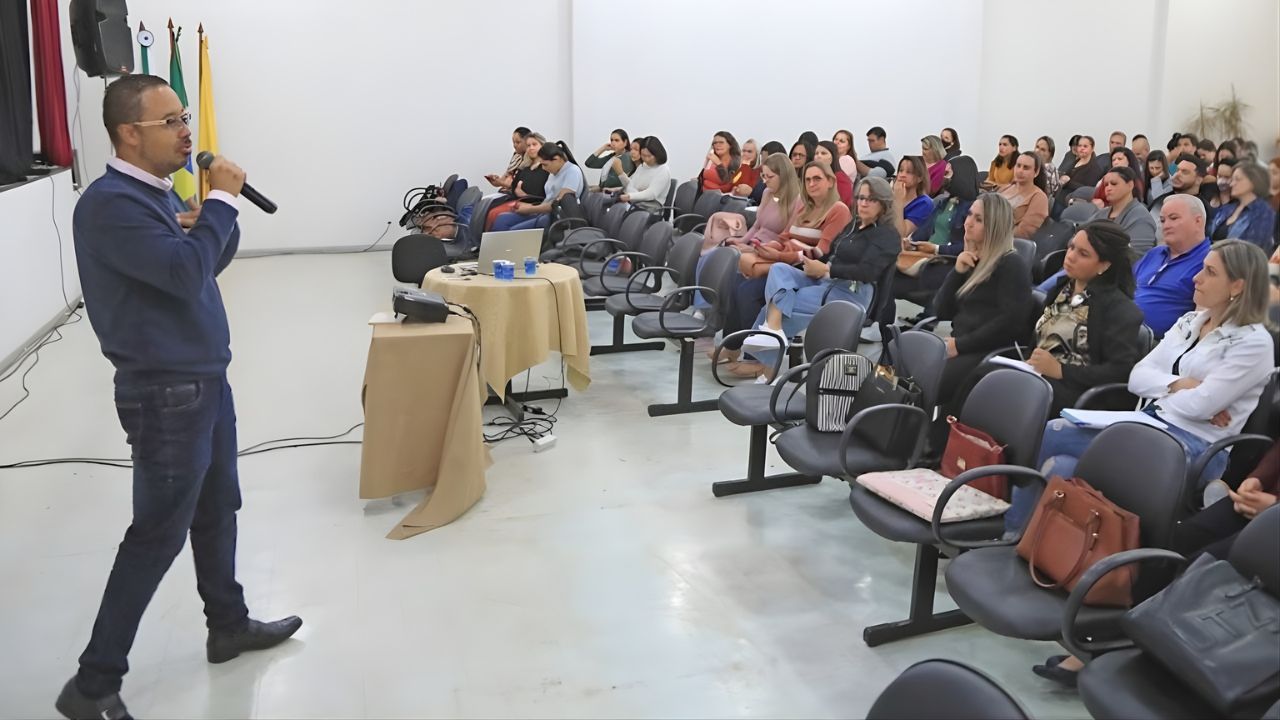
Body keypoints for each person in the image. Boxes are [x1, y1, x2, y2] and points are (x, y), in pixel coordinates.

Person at [58, 74, 302, 720]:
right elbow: (181, 272)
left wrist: (212, 223)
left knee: (219, 505)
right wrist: (218, 208)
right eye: (170, 121)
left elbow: (193, 271)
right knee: (157, 535)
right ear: (128, 133)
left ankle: (228, 624)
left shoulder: (155, 195)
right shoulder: (110, 204)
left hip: (203, 379)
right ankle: (92, 684)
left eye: (185, 116)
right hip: (165, 391)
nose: (186, 130)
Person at [1022, 240, 1275, 688]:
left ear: (1237, 286)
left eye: (1210, 273)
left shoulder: (1253, 344)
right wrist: (1181, 385)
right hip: (1150, 421)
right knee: (1056, 441)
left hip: (1193, 446)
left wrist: (1179, 393)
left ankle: (1095, 584)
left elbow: (1202, 409)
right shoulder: (1189, 320)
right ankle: (1038, 550)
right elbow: (1139, 375)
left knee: (1082, 467)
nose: (1196, 278)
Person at [953, 221, 1143, 420]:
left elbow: (1120, 371)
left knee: (1012, 395)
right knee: (983, 375)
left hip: (1076, 390)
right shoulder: (1062, 289)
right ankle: (950, 442)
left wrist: (1061, 371)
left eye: (1083, 254)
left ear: (1104, 265)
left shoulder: (1120, 309)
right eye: (1071, 247)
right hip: (1039, 374)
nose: (1070, 256)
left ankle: (992, 448)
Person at [738, 174, 895, 379]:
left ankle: (767, 366)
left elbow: (867, 272)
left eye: (870, 199)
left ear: (883, 204)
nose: (863, 203)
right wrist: (812, 262)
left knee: (777, 307)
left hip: (851, 292)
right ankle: (772, 332)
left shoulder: (887, 235)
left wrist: (826, 270)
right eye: (860, 198)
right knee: (779, 270)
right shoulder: (854, 227)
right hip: (827, 279)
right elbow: (831, 252)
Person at [931, 193, 1032, 413]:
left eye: (979, 219)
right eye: (970, 215)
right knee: (906, 364)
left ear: (994, 226)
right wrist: (957, 272)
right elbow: (940, 310)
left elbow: (1009, 324)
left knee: (927, 382)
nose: (968, 222)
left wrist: (960, 345)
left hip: (986, 350)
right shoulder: (972, 259)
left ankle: (926, 438)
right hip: (960, 343)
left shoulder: (1011, 265)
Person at [716, 154, 808, 371]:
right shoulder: (768, 193)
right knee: (733, 284)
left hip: (775, 258)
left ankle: (754, 357)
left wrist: (755, 248)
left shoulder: (797, 201)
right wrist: (741, 242)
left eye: (770, 176)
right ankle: (732, 345)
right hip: (757, 250)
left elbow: (785, 239)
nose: (765, 181)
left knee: (747, 292)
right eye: (764, 176)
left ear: (783, 176)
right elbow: (757, 226)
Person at [1177, 440, 1279, 561]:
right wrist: (1258, 479)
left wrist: (1274, 508)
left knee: (1207, 563)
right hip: (1261, 500)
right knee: (1181, 539)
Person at [490, 142, 585, 231]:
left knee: (513, 231)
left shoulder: (572, 172)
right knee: (502, 219)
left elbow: (559, 204)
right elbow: (548, 198)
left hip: (555, 217)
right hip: (542, 211)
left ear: (557, 159)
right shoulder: (553, 172)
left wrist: (529, 209)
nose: (543, 168)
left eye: (545, 165)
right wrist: (529, 206)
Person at [1208, 162, 1277, 252]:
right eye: (1232, 179)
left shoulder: (1264, 212)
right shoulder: (1227, 208)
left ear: (1254, 181)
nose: (1232, 184)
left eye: (1237, 179)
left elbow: (1253, 249)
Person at [484, 132, 547, 229]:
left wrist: (524, 195)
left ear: (543, 146)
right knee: (487, 208)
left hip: (534, 205)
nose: (531, 148)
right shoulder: (524, 167)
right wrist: (513, 189)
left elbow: (543, 193)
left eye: (534, 145)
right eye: (528, 145)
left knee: (496, 215)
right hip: (517, 200)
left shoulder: (546, 168)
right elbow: (514, 186)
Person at [1091, 166, 1159, 253]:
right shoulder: (1100, 214)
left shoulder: (1141, 217)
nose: (1108, 188)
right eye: (1106, 185)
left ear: (1130, 185)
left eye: (1114, 183)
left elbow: (1137, 255)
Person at [998, 151, 1049, 238]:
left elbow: (1024, 232)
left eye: (1026, 168)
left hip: (1007, 243)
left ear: (1036, 172)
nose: (1020, 171)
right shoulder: (1005, 188)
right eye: (1018, 166)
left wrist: (995, 235)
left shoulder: (1039, 197)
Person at [615, 136, 672, 213]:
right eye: (643, 155)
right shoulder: (642, 166)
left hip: (650, 210)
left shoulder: (663, 170)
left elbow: (651, 194)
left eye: (649, 156)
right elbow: (630, 186)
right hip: (636, 205)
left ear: (657, 154)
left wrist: (630, 196)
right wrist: (639, 193)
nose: (646, 159)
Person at [891, 156, 935, 238]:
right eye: (900, 171)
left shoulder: (924, 203)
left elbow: (902, 234)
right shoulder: (889, 198)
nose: (902, 175)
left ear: (920, 178)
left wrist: (898, 200)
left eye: (909, 172)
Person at [1057, 135, 1105, 206]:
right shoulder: (1075, 161)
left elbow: (1087, 190)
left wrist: (1068, 182)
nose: (1082, 148)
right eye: (1079, 146)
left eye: (1085, 146)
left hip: (1073, 204)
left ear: (1092, 148)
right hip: (1060, 199)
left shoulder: (1095, 169)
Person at [484, 126, 533, 191]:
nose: (514, 145)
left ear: (528, 142)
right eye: (513, 142)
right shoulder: (516, 156)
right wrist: (497, 181)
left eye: (518, 142)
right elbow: (503, 179)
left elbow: (523, 187)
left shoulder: (532, 159)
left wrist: (502, 183)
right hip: (507, 192)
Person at [815, 140, 853, 206]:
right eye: (816, 153)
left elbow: (843, 204)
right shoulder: (813, 177)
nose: (818, 156)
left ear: (833, 156)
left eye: (823, 153)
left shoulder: (840, 178)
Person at [1034, 136, 1061, 200]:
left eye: (1043, 150)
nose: (1037, 151)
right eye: (1037, 147)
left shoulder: (1048, 171)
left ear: (1050, 154)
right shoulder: (1035, 166)